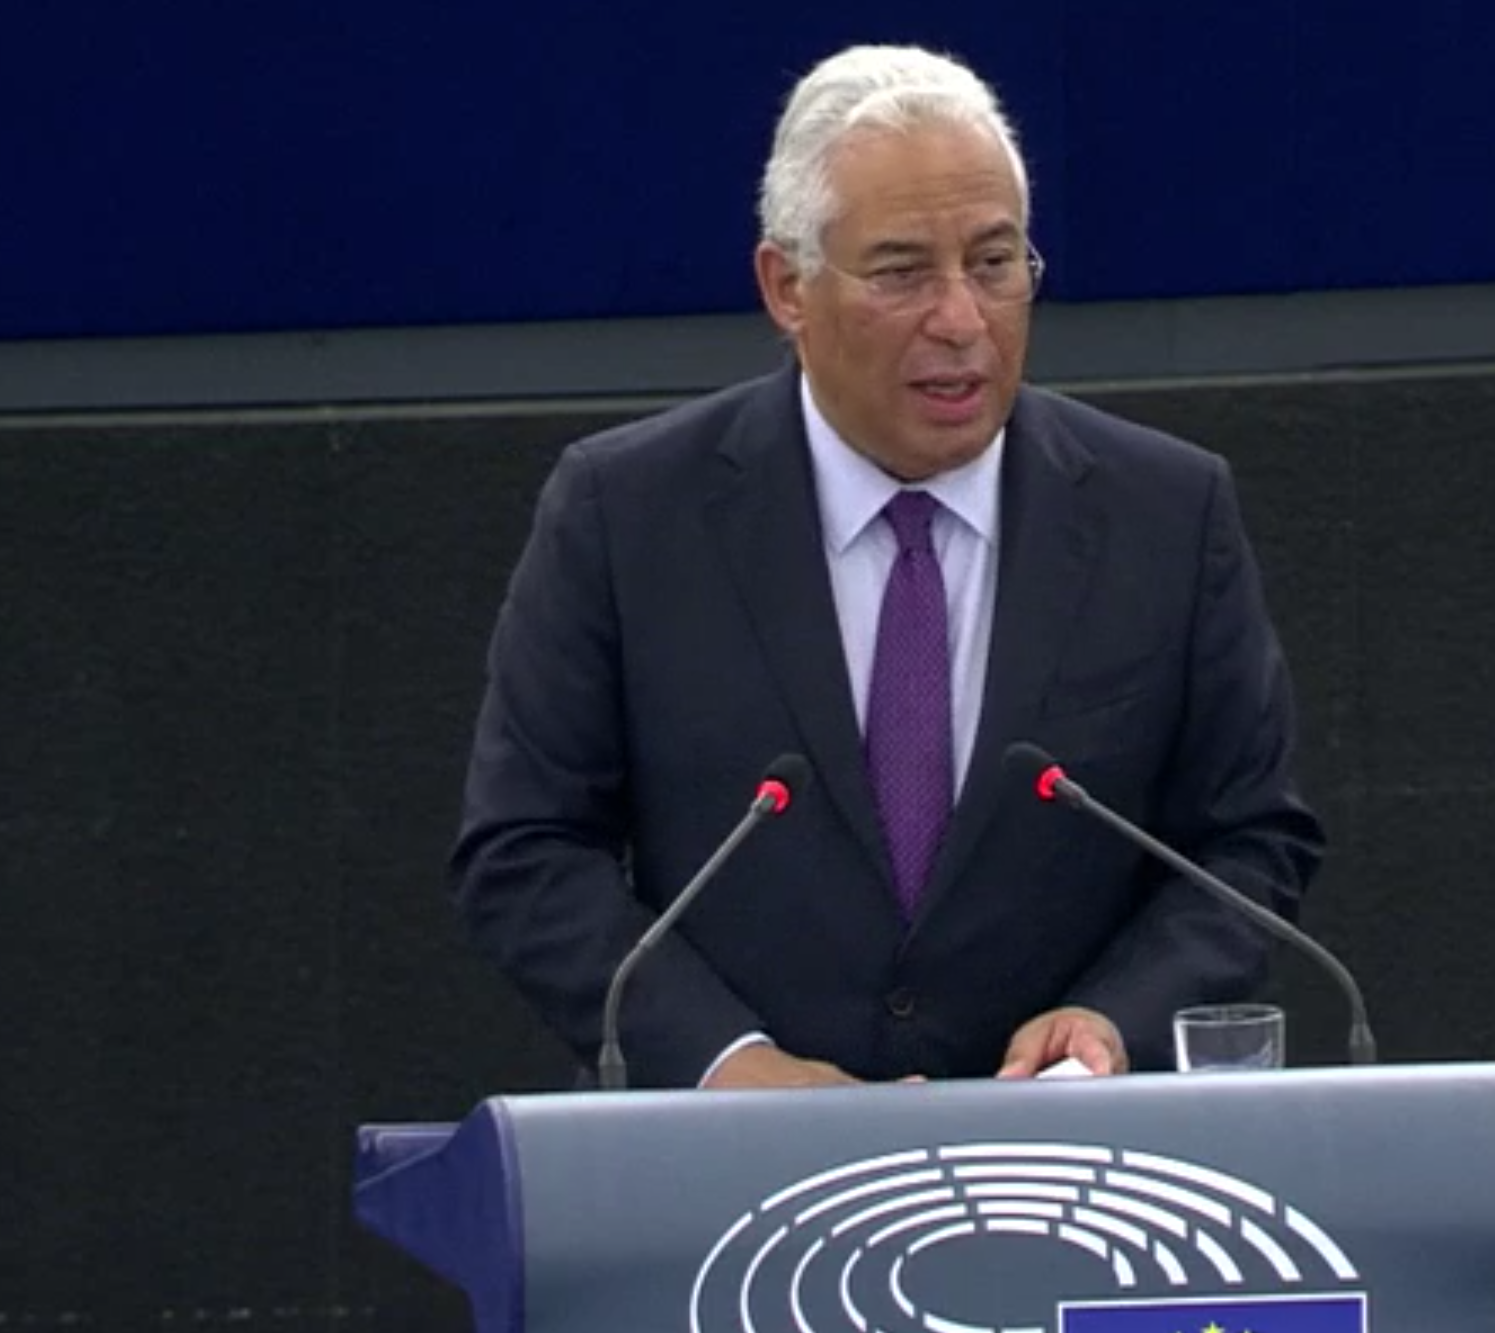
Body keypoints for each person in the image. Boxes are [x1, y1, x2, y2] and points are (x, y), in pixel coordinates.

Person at [449, 43, 1323, 1089]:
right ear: (788, 287)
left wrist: (1111, 1021)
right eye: (903, 273)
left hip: (1060, 1148)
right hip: (730, 1160)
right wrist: (728, 1063)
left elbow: (1248, 841)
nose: (961, 320)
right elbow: (529, 849)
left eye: (994, 263)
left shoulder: (1166, 513)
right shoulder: (626, 512)